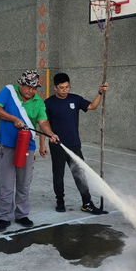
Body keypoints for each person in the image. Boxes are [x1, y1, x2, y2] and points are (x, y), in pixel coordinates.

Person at [0, 69, 59, 232]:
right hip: (7, 146)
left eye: (35, 88)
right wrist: (14, 118)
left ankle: (22, 215)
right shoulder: (8, 91)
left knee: (24, 184)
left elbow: (43, 122)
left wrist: (50, 134)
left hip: (27, 147)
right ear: (20, 84)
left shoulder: (38, 102)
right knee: (6, 184)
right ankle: (4, 217)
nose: (31, 90)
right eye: (28, 86)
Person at [40, 73, 108, 214]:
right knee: (58, 176)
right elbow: (43, 123)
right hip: (57, 145)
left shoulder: (75, 99)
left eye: (67, 87)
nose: (65, 90)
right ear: (55, 88)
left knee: (80, 174)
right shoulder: (48, 103)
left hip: (74, 145)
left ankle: (87, 203)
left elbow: (92, 106)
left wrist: (100, 93)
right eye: (62, 88)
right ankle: (60, 201)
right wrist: (42, 144)